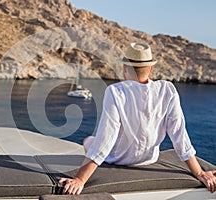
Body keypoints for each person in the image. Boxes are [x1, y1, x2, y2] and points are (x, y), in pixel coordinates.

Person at [59, 42, 216, 195]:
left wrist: (80, 179)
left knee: (88, 140)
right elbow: (179, 135)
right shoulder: (167, 89)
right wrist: (199, 172)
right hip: (149, 159)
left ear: (125, 68)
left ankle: (88, 144)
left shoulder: (115, 92)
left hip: (119, 159)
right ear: (151, 69)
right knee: (93, 141)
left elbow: (105, 139)